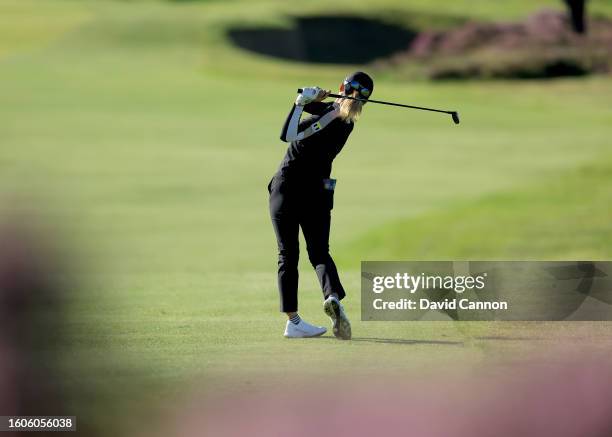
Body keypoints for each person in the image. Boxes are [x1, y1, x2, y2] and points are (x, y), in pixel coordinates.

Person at [268, 71, 374, 339]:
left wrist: (299, 103)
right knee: (319, 253)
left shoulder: (328, 118)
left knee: (287, 255)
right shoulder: (348, 122)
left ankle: (293, 321)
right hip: (317, 192)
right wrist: (314, 98)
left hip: (287, 188)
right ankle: (333, 296)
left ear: (343, 86)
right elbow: (329, 109)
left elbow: (288, 134)